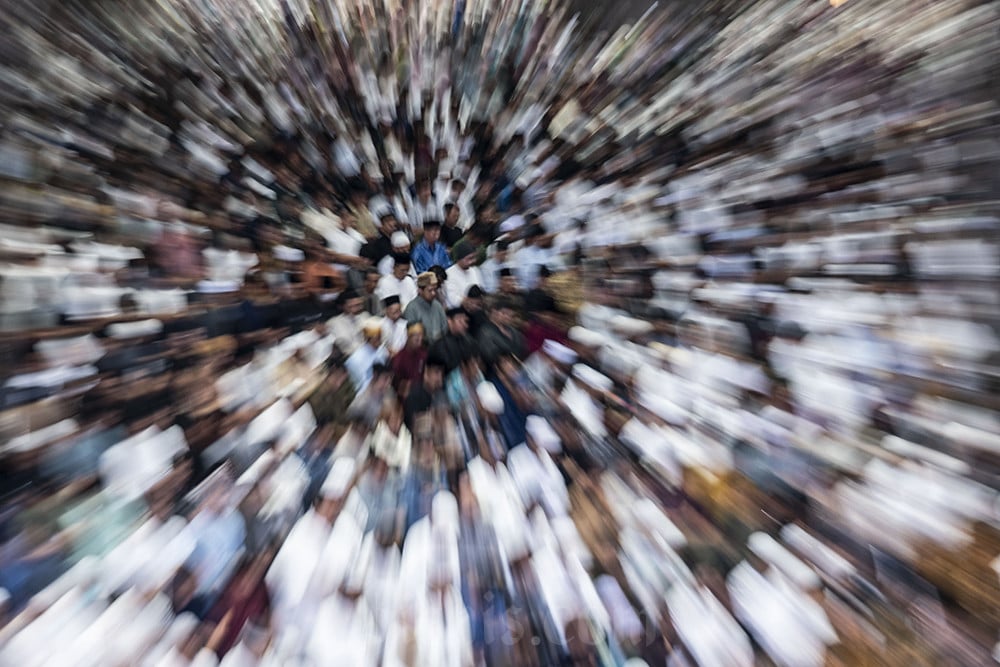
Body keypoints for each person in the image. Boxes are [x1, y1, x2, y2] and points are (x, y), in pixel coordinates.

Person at [345, 317, 390, 392]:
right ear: (369, 338)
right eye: (377, 337)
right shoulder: (355, 360)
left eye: (380, 336)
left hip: (382, 390)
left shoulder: (383, 351)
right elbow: (359, 386)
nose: (380, 339)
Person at [403, 271, 448, 344]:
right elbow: (412, 334)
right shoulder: (412, 308)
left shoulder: (437, 305)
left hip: (439, 346)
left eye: (435, 290)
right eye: (430, 290)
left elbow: (444, 327)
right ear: (420, 290)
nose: (433, 293)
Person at [429, 307, 474, 375]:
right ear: (449, 321)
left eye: (465, 321)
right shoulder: (440, 343)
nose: (464, 325)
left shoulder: (467, 339)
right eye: (459, 320)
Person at [443, 242, 483, 309]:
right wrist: (469, 302)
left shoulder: (475, 270)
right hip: (458, 310)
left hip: (475, 308)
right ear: (459, 259)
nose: (473, 261)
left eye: (474, 258)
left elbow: (480, 291)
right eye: (469, 258)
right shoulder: (449, 274)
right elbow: (454, 300)